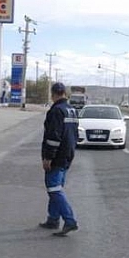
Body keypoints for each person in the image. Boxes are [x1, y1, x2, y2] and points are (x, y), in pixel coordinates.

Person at [39, 83, 79, 236]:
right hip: (68, 154)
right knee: (56, 188)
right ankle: (53, 219)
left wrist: (48, 157)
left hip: (57, 155)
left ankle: (70, 221)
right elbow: (75, 134)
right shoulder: (72, 110)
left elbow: (53, 137)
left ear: (53, 94)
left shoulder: (56, 111)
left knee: (54, 188)